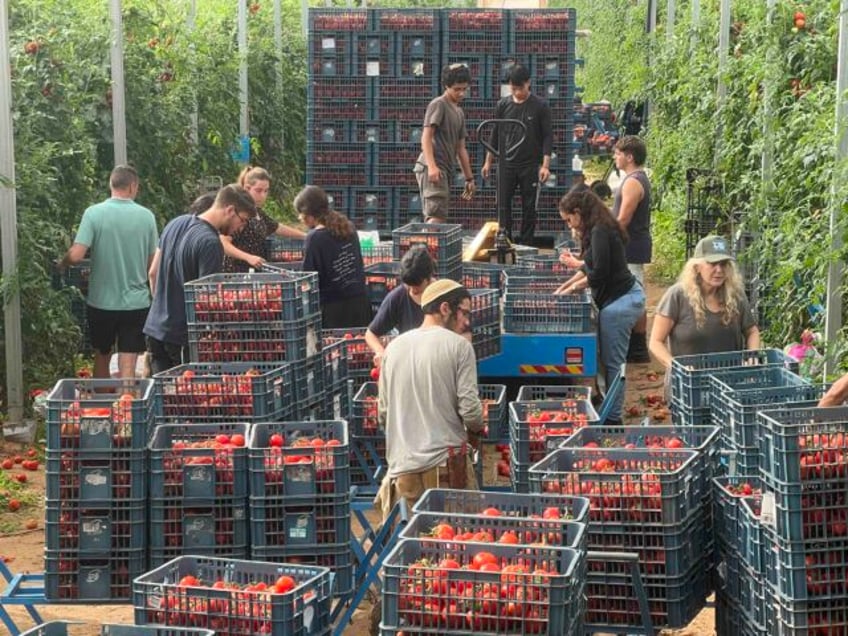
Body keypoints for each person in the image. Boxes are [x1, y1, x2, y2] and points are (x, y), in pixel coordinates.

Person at [374, 279, 484, 519]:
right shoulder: (460, 347)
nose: (466, 321)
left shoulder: (393, 348)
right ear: (445, 308)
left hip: (403, 470)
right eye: (464, 313)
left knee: (412, 549)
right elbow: (471, 411)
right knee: (454, 545)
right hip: (447, 468)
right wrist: (477, 431)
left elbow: (383, 412)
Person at [58, 165, 158, 379]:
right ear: (133, 186)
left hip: (101, 301)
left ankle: (101, 407)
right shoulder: (147, 217)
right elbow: (153, 262)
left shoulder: (93, 214)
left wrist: (62, 262)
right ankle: (128, 408)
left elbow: (76, 255)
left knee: (102, 355)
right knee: (129, 359)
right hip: (136, 301)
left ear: (111, 185)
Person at [555, 190, 646, 425]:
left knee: (613, 362)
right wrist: (564, 286)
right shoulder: (598, 229)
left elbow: (599, 273)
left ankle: (613, 419)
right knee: (606, 360)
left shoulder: (600, 231)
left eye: (568, 219)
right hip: (618, 299)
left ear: (578, 213)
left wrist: (572, 290)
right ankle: (606, 406)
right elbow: (588, 266)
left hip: (621, 302)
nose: (569, 225)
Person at [144, 185, 257, 374]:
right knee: (184, 398)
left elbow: (153, 272)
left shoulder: (175, 223)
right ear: (230, 210)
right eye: (243, 220)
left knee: (162, 395)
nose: (240, 228)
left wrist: (163, 308)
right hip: (181, 337)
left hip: (154, 328)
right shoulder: (210, 243)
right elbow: (207, 302)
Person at [649, 235, 760, 396]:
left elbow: (752, 331)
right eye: (712, 264)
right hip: (688, 386)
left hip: (728, 385)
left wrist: (752, 355)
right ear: (697, 267)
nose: (719, 270)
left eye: (723, 264)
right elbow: (655, 342)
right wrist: (677, 367)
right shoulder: (677, 296)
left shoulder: (735, 295)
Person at [481, 64, 552, 245]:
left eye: (520, 88)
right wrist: (488, 162)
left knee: (529, 206)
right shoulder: (503, 105)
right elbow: (495, 134)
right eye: (513, 88)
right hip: (506, 164)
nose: (517, 92)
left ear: (528, 83)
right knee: (503, 205)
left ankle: (526, 243)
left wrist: (545, 165)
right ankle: (506, 239)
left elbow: (547, 137)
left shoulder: (540, 106)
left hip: (529, 164)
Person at [296, 185, 372, 329]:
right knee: (358, 349)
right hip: (360, 304)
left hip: (333, 311)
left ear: (309, 214)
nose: (300, 218)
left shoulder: (314, 238)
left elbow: (307, 279)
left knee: (335, 350)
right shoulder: (348, 227)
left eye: (300, 214)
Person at [414, 63, 476, 223]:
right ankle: (425, 247)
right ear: (446, 86)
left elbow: (461, 149)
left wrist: (469, 178)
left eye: (464, 89)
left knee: (440, 214)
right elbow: (426, 137)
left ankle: (427, 246)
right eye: (457, 89)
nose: (461, 93)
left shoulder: (459, 112)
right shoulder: (438, 104)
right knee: (436, 215)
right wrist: (432, 166)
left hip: (446, 168)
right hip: (433, 167)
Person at [611, 135, 652, 362]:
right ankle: (635, 345)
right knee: (632, 293)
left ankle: (637, 348)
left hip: (631, 246)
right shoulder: (634, 179)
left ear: (630, 156)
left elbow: (624, 218)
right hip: (632, 245)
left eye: (618, 153)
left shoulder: (634, 182)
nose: (615, 157)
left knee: (635, 295)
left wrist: (606, 238)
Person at [222, 166, 306, 272]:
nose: (263, 195)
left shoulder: (258, 212)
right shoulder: (238, 212)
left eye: (266, 191)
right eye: (258, 190)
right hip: (236, 274)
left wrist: (306, 236)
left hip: (254, 272)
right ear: (247, 188)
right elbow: (223, 243)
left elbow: (277, 227)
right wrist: (248, 257)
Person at [365, 246, 435, 366]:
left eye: (417, 285)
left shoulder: (443, 296)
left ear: (428, 278)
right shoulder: (398, 297)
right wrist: (380, 352)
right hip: (409, 364)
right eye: (409, 285)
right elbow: (371, 334)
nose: (412, 290)